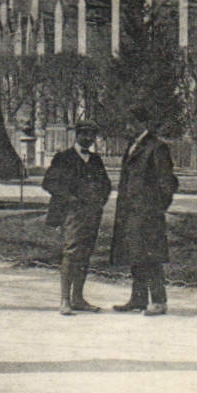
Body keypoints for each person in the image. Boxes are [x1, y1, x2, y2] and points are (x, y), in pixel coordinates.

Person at [41, 120, 112, 315]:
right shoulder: (63, 158)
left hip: (92, 213)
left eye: (92, 135)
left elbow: (106, 184)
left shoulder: (96, 160)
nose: (88, 138)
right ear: (77, 135)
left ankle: (78, 298)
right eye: (84, 134)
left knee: (85, 253)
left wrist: (100, 201)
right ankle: (65, 300)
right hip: (71, 213)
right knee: (71, 252)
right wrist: (70, 198)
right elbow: (49, 183)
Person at [109, 122, 179, 315]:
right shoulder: (132, 146)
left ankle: (159, 301)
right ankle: (138, 299)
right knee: (135, 254)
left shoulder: (156, 147)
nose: (127, 127)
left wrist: (157, 207)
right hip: (130, 212)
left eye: (130, 123)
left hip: (148, 213)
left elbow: (167, 182)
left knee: (151, 257)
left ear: (141, 123)